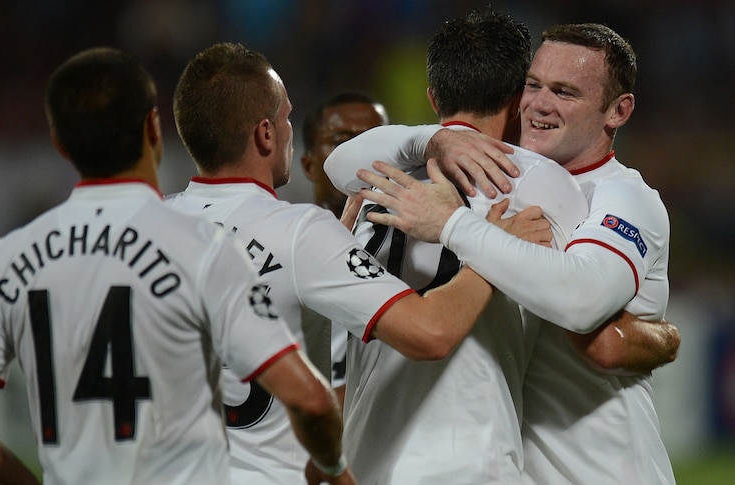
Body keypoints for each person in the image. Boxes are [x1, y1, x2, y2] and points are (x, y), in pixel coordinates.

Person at [0, 47, 353, 485]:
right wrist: (335, 470)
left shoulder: (11, 258)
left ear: (59, 144)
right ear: (153, 126)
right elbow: (310, 400)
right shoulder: (201, 246)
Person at [165, 42, 549, 485]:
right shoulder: (299, 232)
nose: (292, 131)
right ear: (266, 134)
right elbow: (430, 333)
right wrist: (494, 249)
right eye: (288, 117)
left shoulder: (151, 226)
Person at [333, 23, 679, 484]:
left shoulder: (620, 197)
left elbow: (592, 322)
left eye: (565, 92)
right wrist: (435, 140)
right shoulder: (509, 175)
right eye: (533, 86)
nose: (540, 103)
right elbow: (342, 162)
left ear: (618, 111)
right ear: (515, 97)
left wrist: (454, 225)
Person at [299, 91, 390, 405]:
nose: (360, 155)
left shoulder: (423, 252)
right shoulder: (284, 252)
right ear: (309, 165)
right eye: (341, 141)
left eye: (375, 140)